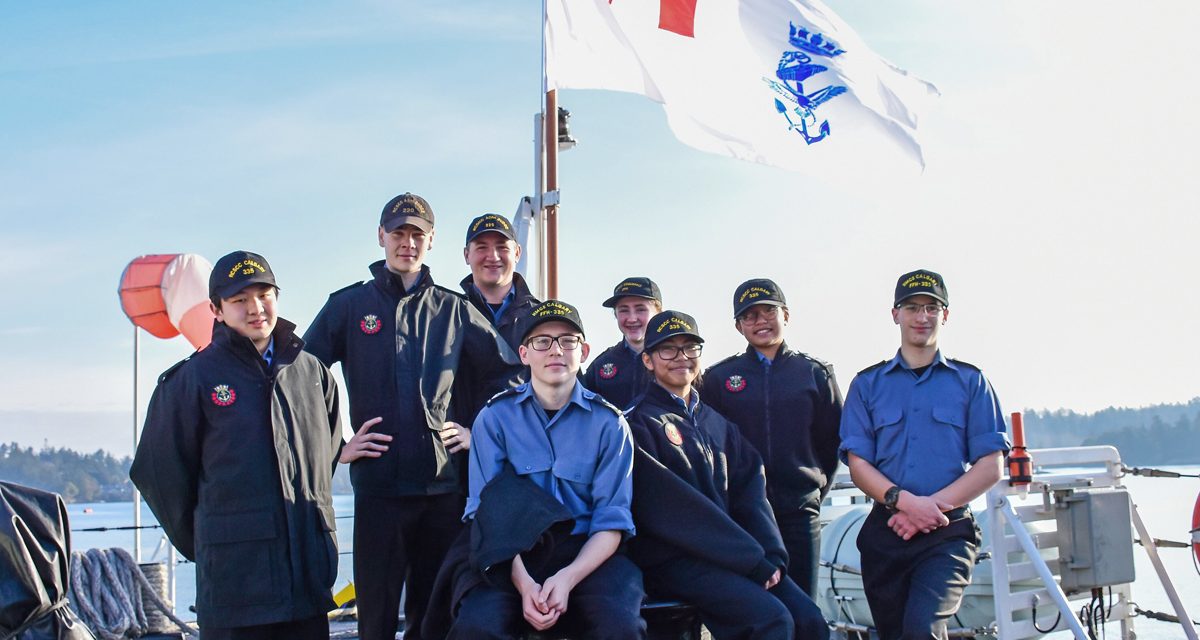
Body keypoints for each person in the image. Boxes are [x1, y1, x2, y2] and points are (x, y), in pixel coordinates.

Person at [303, 193, 522, 640]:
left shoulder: (453, 308)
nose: (408, 243)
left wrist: (477, 430)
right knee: (376, 619)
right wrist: (338, 445)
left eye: (417, 235)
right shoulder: (348, 306)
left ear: (431, 241)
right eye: (398, 233)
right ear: (381, 237)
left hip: (440, 490)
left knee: (434, 617)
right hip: (378, 490)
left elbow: (510, 373)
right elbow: (301, 377)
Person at [130, 251, 343, 640]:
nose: (255, 308)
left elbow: (323, 461)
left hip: (308, 588)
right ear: (216, 309)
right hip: (236, 590)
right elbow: (159, 475)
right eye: (240, 299)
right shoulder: (191, 381)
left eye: (264, 295)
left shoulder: (312, 373)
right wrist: (214, 538)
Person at [626, 310, 829, 640]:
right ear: (648, 360)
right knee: (769, 620)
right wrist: (750, 560)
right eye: (668, 349)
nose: (681, 357)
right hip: (676, 560)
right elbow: (674, 511)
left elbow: (751, 494)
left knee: (809, 619)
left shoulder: (718, 425)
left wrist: (771, 554)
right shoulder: (638, 425)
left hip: (731, 556)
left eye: (689, 348)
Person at [449, 300, 645, 639]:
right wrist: (525, 585)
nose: (555, 350)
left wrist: (566, 578)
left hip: (587, 552)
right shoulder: (494, 419)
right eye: (542, 341)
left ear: (583, 352)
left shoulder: (610, 424)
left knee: (621, 626)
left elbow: (612, 520)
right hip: (509, 552)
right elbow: (485, 514)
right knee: (476, 626)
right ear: (524, 354)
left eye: (567, 341)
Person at [839, 269, 1009, 640]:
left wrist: (927, 510)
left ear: (945, 315)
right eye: (912, 307)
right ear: (895, 314)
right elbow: (858, 464)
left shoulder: (971, 381)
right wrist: (904, 503)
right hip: (887, 532)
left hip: (948, 532)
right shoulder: (867, 385)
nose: (922, 316)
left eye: (932, 307)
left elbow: (991, 464)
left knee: (922, 629)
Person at [702, 278, 842, 596]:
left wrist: (812, 491)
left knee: (804, 605)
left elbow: (832, 441)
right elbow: (710, 446)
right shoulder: (719, 378)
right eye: (750, 315)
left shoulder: (815, 373)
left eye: (769, 311)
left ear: (786, 315)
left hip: (799, 511)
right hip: (743, 514)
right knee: (753, 605)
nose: (760, 321)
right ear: (738, 326)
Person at [459, 212, 540, 352]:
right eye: (482, 247)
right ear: (467, 255)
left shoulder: (540, 318)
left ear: (517, 253)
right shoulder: (450, 316)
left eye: (502, 247)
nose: (493, 257)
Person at [581, 277, 662, 409]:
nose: (632, 318)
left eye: (640, 309)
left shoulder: (674, 361)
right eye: (624, 310)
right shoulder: (601, 365)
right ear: (616, 314)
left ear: (658, 313)